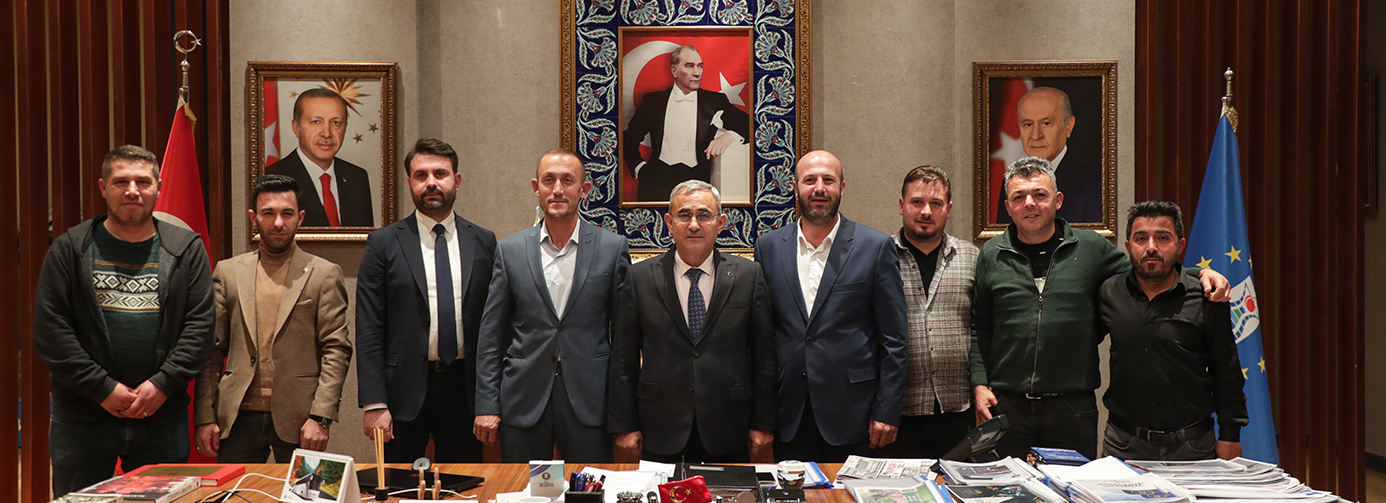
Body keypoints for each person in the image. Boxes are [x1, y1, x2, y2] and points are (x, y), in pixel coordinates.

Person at [970, 157, 1229, 460]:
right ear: (1008, 205)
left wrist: (1199, 273)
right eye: (1019, 197)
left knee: (1070, 485)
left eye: (1040, 194)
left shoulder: (1091, 248)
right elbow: (980, 325)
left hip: (1071, 408)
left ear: (1058, 200)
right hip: (1006, 404)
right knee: (1006, 485)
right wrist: (979, 383)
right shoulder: (992, 254)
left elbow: (1146, 270)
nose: (1030, 204)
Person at [33, 145, 215, 496]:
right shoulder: (69, 249)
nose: (133, 190)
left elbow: (201, 327)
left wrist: (162, 384)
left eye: (143, 182)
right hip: (83, 419)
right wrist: (101, 388)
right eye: (121, 182)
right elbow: (51, 331)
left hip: (162, 418)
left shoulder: (186, 248)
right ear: (103, 187)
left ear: (159, 188)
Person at [473, 149, 630, 462]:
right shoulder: (510, 250)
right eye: (549, 180)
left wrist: (625, 414)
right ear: (537, 187)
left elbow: (625, 339)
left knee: (589, 485)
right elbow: (491, 336)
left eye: (567, 180)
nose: (557, 189)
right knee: (522, 487)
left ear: (584, 189)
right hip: (524, 399)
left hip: (591, 400)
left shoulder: (612, 249)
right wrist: (487, 405)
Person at [754, 150, 908, 462]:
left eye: (829, 180)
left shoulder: (875, 247)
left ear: (842, 187)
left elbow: (895, 339)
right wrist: (762, 416)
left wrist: (887, 409)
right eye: (810, 180)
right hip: (790, 413)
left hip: (855, 414)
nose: (819, 188)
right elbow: (764, 338)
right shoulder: (768, 247)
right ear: (795, 188)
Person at [609, 180, 776, 462]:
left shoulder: (748, 275)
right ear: (669, 223)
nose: (694, 224)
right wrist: (625, 426)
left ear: (720, 223)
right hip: (659, 427)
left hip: (730, 427)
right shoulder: (640, 277)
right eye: (684, 215)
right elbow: (623, 360)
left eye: (704, 215)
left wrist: (763, 423)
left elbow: (765, 358)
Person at [193, 175, 353, 462]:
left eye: (287, 213)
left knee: (303, 490)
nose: (278, 223)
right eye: (268, 213)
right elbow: (211, 351)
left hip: (301, 419)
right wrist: (205, 416)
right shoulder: (228, 272)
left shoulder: (324, 274)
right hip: (237, 417)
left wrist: (321, 417)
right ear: (253, 217)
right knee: (236, 489)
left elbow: (336, 349)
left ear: (300, 218)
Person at [356, 138, 497, 462]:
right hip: (401, 394)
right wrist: (374, 402)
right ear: (410, 182)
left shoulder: (484, 241)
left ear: (456, 180)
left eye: (440, 174)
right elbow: (369, 328)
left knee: (463, 483)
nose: (431, 182)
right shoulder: (383, 243)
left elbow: (494, 326)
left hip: (465, 392)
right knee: (398, 484)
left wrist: (490, 400)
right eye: (421, 175)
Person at [1099, 201, 1246, 461]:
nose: (1151, 247)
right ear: (1128, 247)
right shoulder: (1109, 292)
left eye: (1163, 238)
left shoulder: (1207, 297)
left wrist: (1230, 435)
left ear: (1180, 246)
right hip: (1124, 445)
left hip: (1193, 446)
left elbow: (1227, 371)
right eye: (1141, 238)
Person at [869, 166, 979, 459]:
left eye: (936, 203)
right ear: (901, 205)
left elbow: (982, 327)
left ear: (949, 209)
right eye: (917, 202)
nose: (926, 211)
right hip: (897, 412)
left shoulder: (971, 257)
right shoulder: (877, 258)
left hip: (957, 410)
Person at [623, 45, 751, 202]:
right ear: (674, 71)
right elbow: (629, 138)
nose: (697, 73)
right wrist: (639, 168)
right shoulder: (653, 101)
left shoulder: (715, 101)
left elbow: (751, 125)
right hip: (655, 184)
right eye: (689, 66)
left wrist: (728, 137)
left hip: (699, 187)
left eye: (700, 66)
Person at [265, 88, 374, 227]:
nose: (327, 133)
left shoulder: (357, 177)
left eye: (335, 123)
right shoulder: (272, 178)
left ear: (345, 127)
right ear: (296, 128)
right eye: (316, 122)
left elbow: (364, 238)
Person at [996, 86, 1102, 224]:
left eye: (1046, 123)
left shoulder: (1095, 184)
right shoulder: (1011, 182)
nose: (1036, 135)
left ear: (1069, 126)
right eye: (1027, 125)